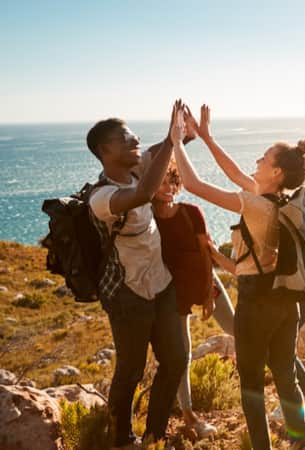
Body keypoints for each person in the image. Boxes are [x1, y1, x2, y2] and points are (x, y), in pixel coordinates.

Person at [170, 104, 305, 450]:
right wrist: (206, 137)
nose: (257, 162)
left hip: (256, 305)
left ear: (276, 171)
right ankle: (302, 444)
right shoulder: (280, 203)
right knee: (286, 377)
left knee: (251, 384)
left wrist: (177, 141)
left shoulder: (254, 205)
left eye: (264, 159)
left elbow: (192, 184)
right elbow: (236, 174)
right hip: (285, 302)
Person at [86, 100, 188, 449]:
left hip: (161, 284)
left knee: (175, 360)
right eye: (126, 137)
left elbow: (170, 145)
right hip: (127, 293)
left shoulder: (136, 168)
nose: (135, 140)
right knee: (130, 370)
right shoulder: (102, 198)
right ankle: (121, 439)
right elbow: (145, 193)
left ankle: (154, 436)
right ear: (105, 150)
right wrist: (172, 141)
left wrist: (182, 131)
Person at [150, 159, 235, 439]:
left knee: (237, 329)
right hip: (173, 289)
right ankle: (188, 415)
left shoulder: (191, 212)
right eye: (161, 182)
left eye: (172, 182)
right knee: (182, 354)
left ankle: (282, 383)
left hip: (204, 279)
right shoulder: (146, 217)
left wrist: (209, 293)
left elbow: (205, 253)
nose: (168, 188)